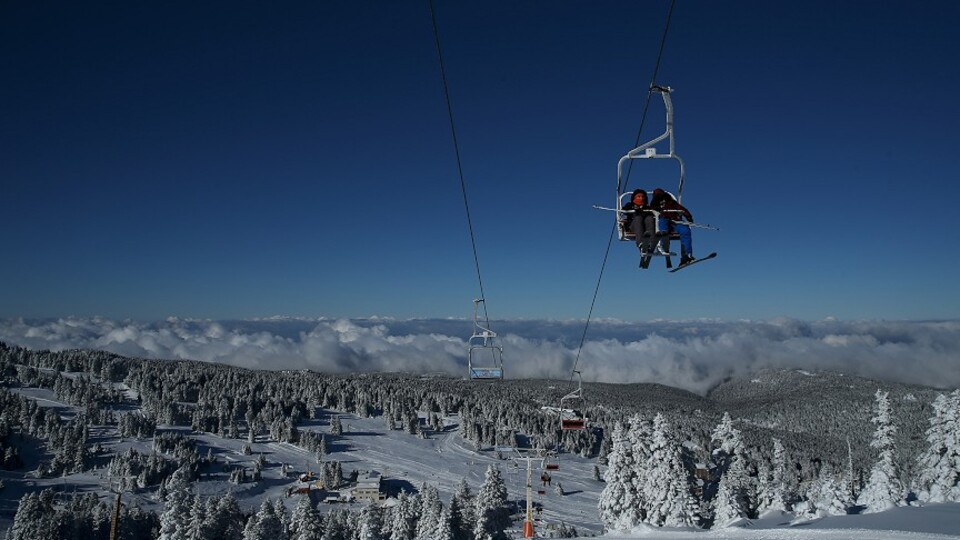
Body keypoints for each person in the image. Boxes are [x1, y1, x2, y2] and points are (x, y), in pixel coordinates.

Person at [651, 188, 695, 266]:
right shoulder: (654, 204)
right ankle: (664, 242)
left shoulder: (672, 202)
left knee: (685, 230)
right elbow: (650, 211)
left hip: (674, 222)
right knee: (662, 222)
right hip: (663, 222)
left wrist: (688, 217)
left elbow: (682, 209)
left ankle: (686, 255)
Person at [621, 189, 657, 269]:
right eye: (639, 196)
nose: (641, 198)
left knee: (650, 218)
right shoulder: (630, 205)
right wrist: (634, 210)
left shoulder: (647, 207)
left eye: (643, 197)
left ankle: (651, 242)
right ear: (634, 197)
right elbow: (624, 211)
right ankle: (641, 243)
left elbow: (654, 212)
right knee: (638, 218)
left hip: (646, 227)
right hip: (634, 225)